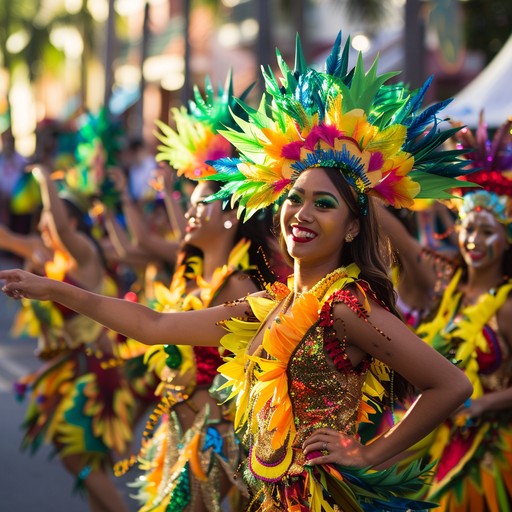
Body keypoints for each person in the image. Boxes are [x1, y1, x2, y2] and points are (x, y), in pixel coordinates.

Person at [0, 32, 473, 511]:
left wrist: (368, 453)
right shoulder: (269, 304)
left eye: (324, 204)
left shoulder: (346, 307)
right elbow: (153, 326)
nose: (302, 213)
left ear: (353, 228)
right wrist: (54, 290)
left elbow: (451, 385)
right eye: (294, 198)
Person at [4, 164, 134, 512]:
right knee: (89, 456)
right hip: (68, 370)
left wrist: (44, 176)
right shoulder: (53, 260)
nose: (44, 225)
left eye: (49, 215)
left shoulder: (85, 257)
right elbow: (7, 238)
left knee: (73, 450)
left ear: (71, 222)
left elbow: (58, 226)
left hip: (93, 371)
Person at [407, 115, 512, 511]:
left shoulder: (506, 305)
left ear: (507, 241)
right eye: (467, 228)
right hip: (439, 440)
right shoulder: (450, 295)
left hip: (490, 455)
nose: (473, 240)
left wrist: (485, 403)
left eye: (487, 231)